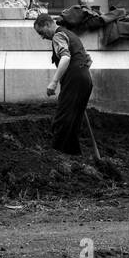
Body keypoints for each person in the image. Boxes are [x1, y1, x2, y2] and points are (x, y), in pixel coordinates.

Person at [34, 13, 93, 156]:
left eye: (41, 32)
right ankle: (74, 155)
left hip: (75, 80)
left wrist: (54, 82)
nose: (42, 37)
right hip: (85, 80)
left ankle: (55, 156)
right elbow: (88, 59)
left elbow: (66, 57)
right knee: (73, 122)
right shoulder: (71, 34)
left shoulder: (58, 36)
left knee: (62, 119)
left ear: (47, 25)